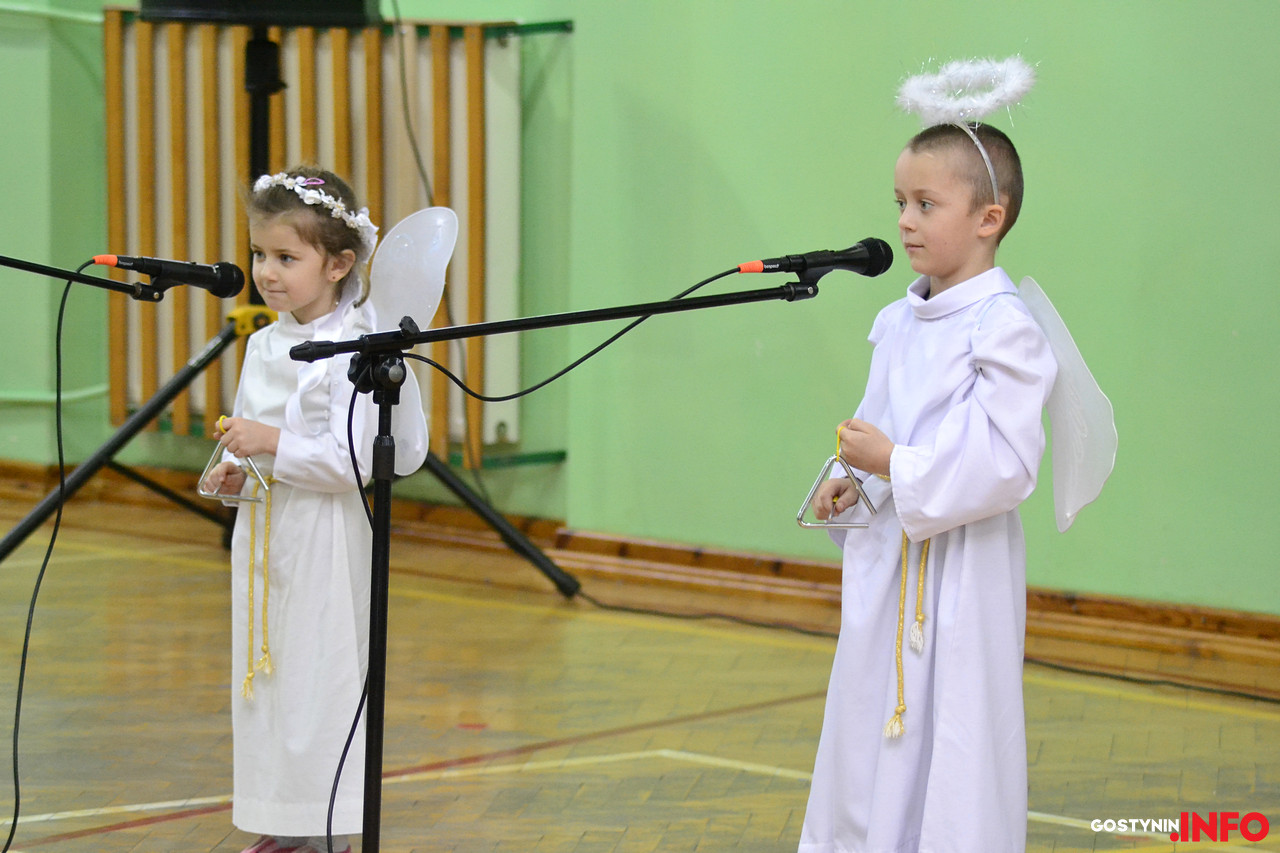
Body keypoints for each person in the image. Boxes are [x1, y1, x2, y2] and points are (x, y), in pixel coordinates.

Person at [797, 118, 1057, 853]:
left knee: (955, 723)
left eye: (925, 204)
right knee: (867, 717)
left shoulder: (1003, 330)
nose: (905, 222)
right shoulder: (898, 321)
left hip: (962, 568)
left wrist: (892, 464)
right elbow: (879, 423)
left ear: (988, 218)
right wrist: (849, 479)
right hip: (892, 563)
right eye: (900, 204)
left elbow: (1006, 463)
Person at [203, 166, 428, 853]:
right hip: (265, 533)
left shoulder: (356, 347)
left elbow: (350, 465)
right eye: (259, 254)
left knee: (316, 679)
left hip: (323, 537)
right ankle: (283, 823)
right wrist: (233, 472)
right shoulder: (264, 343)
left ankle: (327, 828)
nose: (266, 273)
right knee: (265, 680)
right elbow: (249, 435)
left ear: (338, 264)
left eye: (286, 257)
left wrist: (271, 443)